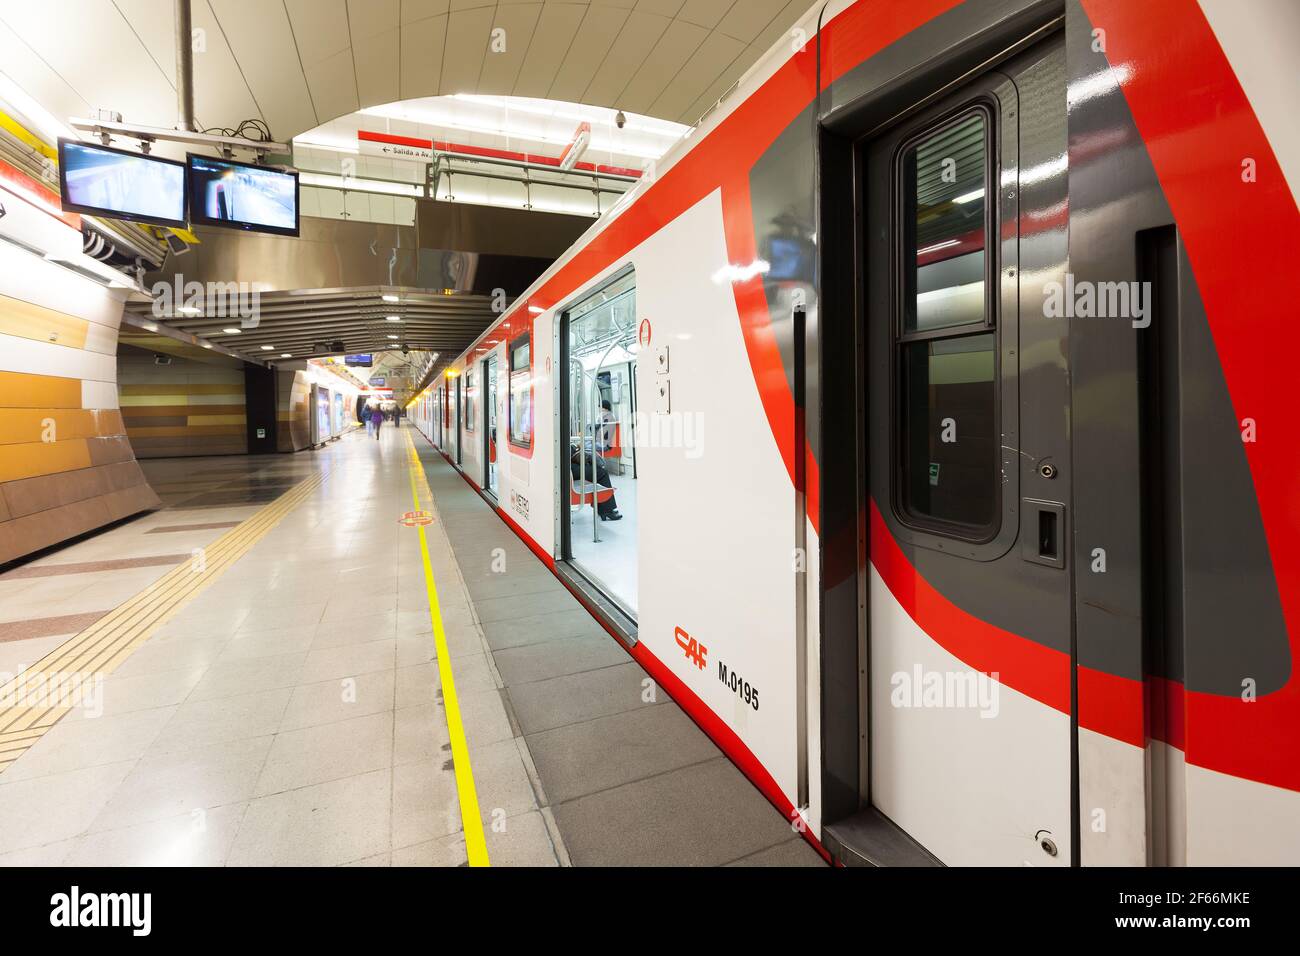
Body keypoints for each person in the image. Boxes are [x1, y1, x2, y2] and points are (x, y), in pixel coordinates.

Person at [570, 440, 621, 521]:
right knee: (601, 473)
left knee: (593, 467)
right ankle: (606, 510)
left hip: (568, 467)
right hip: (569, 468)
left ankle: (603, 508)